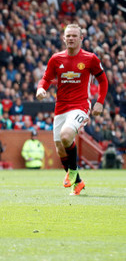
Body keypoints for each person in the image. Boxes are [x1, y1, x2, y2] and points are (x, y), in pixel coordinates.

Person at [37, 24, 108, 195]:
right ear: (63, 38)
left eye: (74, 36)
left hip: (80, 105)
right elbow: (46, 78)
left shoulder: (90, 59)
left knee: (66, 135)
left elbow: (103, 81)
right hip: (61, 107)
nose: (70, 38)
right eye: (68, 35)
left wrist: (100, 102)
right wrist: (41, 88)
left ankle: (73, 171)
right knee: (60, 147)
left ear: (81, 38)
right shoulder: (56, 59)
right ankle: (78, 182)